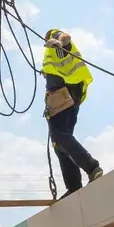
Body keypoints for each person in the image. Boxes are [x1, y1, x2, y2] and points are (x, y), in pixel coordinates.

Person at [41, 28, 103, 199]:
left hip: (64, 93)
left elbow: (65, 37)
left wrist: (58, 41)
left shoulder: (55, 36)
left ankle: (91, 166)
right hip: (69, 96)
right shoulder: (55, 51)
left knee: (59, 135)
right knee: (59, 142)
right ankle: (74, 186)